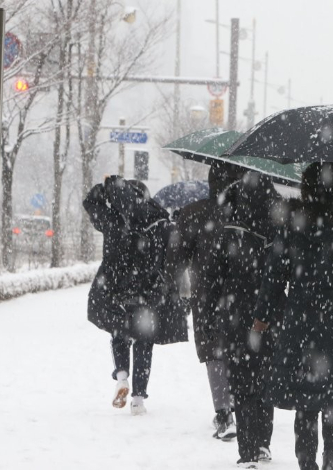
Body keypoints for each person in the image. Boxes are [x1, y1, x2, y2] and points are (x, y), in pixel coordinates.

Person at [253, 163, 333, 470]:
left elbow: (274, 276)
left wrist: (262, 317)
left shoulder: (294, 223)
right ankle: (331, 458)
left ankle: (306, 461)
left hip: (302, 323)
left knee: (305, 400)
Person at [84, 176, 188, 416]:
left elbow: (91, 201)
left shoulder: (113, 220)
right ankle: (138, 399)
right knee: (143, 341)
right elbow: (173, 256)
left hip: (118, 289)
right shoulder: (159, 222)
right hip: (149, 291)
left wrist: (106, 185)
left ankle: (122, 377)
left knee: (119, 332)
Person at [199, 172, 281, 468]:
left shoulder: (228, 232)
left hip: (234, 319)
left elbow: (211, 280)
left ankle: (247, 450)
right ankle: (263, 443)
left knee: (242, 383)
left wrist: (208, 317)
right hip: (268, 318)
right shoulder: (277, 232)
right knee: (264, 381)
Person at [166, 162, 245, 440]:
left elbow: (176, 259)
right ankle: (242, 406)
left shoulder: (193, 213)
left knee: (214, 351)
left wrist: (177, 288)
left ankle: (224, 413)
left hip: (206, 293)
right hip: (242, 292)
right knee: (241, 347)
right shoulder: (247, 211)